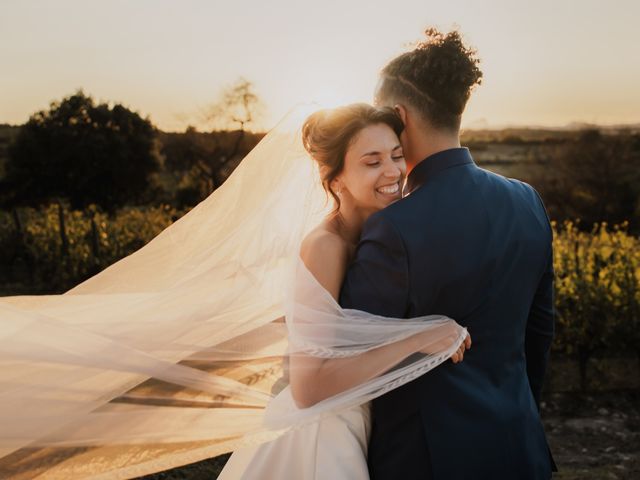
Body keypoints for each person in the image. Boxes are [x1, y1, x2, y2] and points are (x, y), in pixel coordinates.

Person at [339, 28, 557, 479]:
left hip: (424, 461)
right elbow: (539, 334)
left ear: (399, 116)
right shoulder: (527, 201)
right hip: (519, 447)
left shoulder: (392, 228)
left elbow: (349, 362)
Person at [219, 103, 470, 480]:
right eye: (372, 162)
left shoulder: (376, 236)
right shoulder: (326, 246)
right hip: (320, 434)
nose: (393, 171)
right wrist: (419, 338)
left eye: (396, 155)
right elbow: (309, 386)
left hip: (358, 422)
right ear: (334, 179)